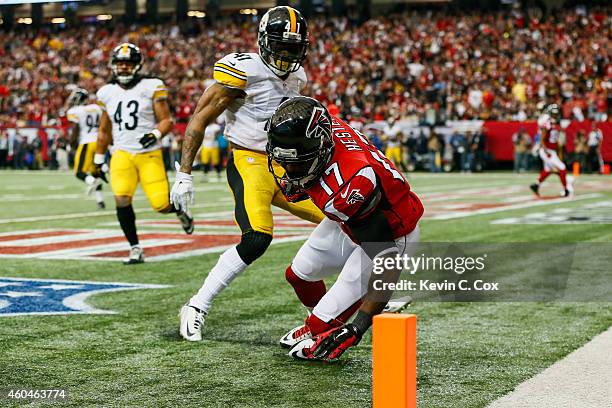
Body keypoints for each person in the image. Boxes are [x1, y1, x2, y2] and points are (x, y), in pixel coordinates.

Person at [172, 7, 324, 342]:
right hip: (249, 162)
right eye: (279, 46)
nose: (285, 55)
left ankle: (328, 311)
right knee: (257, 237)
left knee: (345, 218)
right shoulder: (244, 70)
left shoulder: (298, 78)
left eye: (292, 48)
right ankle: (197, 305)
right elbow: (199, 118)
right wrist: (184, 174)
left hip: (286, 168)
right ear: (263, 41)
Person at [266, 97, 424, 361]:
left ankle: (323, 325)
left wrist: (358, 326)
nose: (289, 170)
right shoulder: (324, 131)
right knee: (298, 275)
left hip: (391, 234)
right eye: (284, 161)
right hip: (350, 219)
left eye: (297, 162)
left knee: (322, 330)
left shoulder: (349, 185)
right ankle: (319, 322)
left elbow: (387, 260)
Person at [94, 42, 194, 265]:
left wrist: (156, 134)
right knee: (120, 199)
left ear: (137, 66)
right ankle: (134, 248)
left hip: (148, 153)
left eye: (128, 64)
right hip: (121, 153)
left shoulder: (152, 86)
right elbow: (103, 130)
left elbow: (167, 120)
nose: (124, 68)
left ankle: (178, 210)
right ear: (113, 66)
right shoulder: (106, 92)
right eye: (120, 64)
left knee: (160, 205)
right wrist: (98, 160)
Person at [65, 88, 106, 209]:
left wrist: (71, 144)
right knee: (95, 172)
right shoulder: (97, 108)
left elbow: (75, 129)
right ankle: (100, 201)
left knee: (79, 172)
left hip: (87, 142)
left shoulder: (76, 111)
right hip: (99, 142)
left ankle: (91, 181)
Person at [530, 104, 573, 197]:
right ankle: (565, 190)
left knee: (548, 170)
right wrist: (545, 150)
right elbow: (542, 138)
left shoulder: (554, 123)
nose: (556, 115)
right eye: (554, 114)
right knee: (562, 167)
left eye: (556, 114)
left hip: (551, 150)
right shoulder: (547, 123)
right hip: (547, 150)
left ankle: (536, 185)